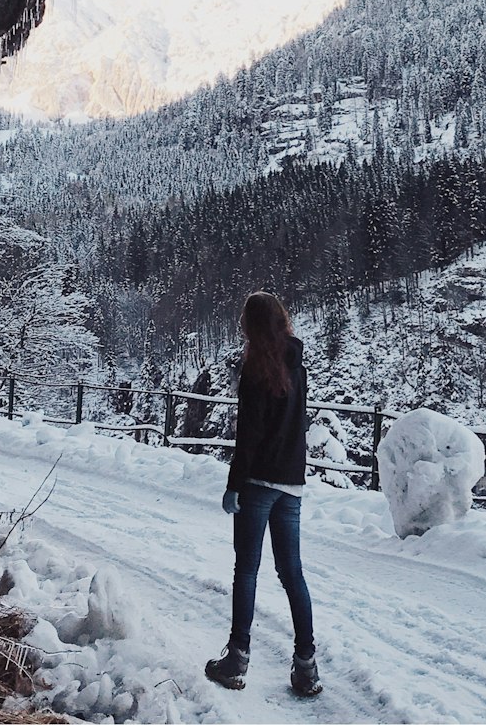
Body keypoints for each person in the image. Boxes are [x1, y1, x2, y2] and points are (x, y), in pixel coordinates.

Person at [204, 291, 322, 697]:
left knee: (247, 569)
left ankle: (236, 661)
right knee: (293, 575)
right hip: (292, 483)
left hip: (257, 484)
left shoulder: (256, 368)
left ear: (250, 325)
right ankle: (306, 667)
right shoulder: (298, 364)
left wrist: (234, 485)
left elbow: (249, 435)